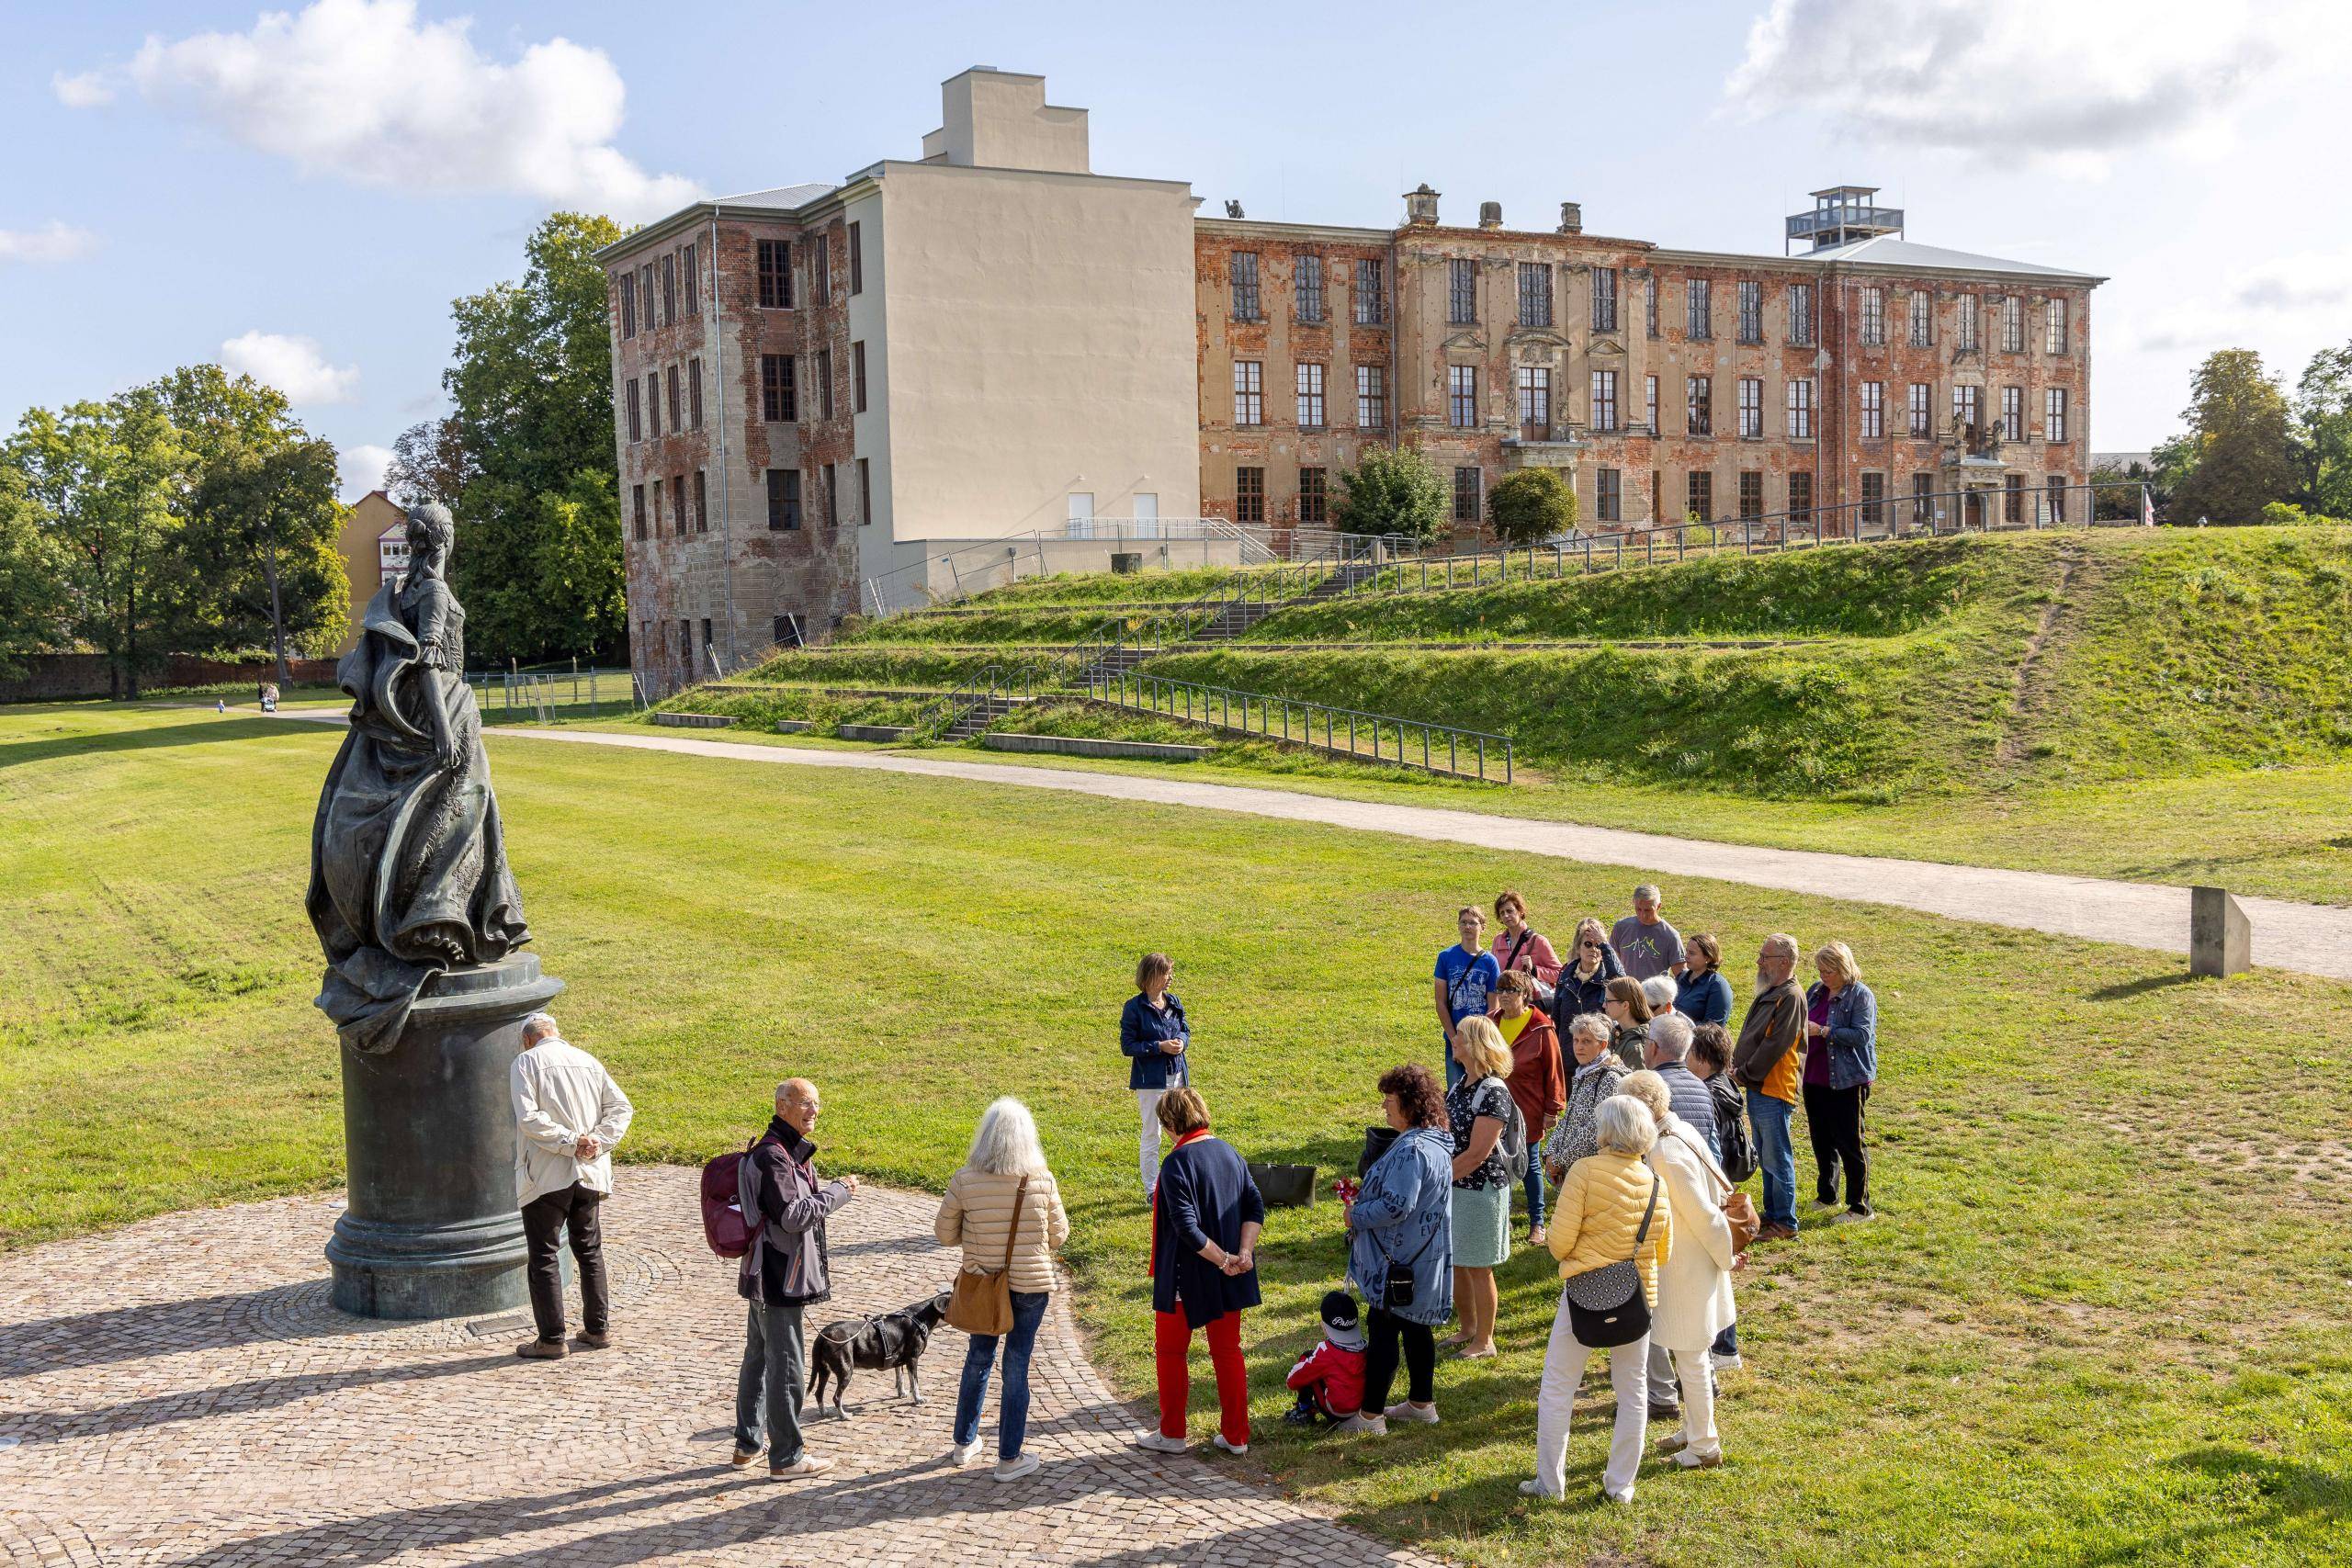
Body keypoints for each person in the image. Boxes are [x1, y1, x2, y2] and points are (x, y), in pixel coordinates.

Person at [1526, 1097, 1673, 1505]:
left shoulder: (1585, 1172)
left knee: (1558, 1386)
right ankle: (1621, 1485)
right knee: (1632, 1390)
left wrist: (1588, 1254)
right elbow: (1663, 1253)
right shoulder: (1655, 1183)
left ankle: (1550, 1483)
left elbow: (1558, 1244)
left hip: (1583, 1292)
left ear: (1605, 1130)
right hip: (1636, 1298)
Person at [936, 1097, 1071, 1481]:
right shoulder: (1041, 1179)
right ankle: (1009, 1458)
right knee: (1017, 1365)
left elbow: (943, 1234)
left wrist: (977, 1239)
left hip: (983, 1285)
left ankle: (964, 1442)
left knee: (978, 1358)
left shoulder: (965, 1179)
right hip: (1031, 1285)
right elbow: (1058, 1236)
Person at [735, 1078, 858, 1480]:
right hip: (777, 1277)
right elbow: (793, 1215)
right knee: (786, 1365)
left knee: (757, 1358)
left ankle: (748, 1444)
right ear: (782, 1105)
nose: (814, 1110)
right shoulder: (774, 1157)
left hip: (766, 1273)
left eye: (817, 1104)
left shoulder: (786, 1151)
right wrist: (839, 1193)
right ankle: (787, 1457)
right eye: (806, 1103)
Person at [1615, 1072, 1737, 1469]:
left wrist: (1727, 1258)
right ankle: (1695, 1428)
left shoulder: (1666, 1152)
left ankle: (1704, 1445)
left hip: (1687, 1267)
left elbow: (1706, 1216)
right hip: (1687, 1264)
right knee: (1690, 1356)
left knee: (1691, 1359)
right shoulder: (1679, 1129)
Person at [1140, 1087, 1263, 1457]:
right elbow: (1254, 1206)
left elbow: (1187, 1229)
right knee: (1228, 1353)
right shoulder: (1230, 1152)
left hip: (1186, 1276)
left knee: (1171, 1353)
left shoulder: (1176, 1164)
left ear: (1171, 1124)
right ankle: (1237, 1436)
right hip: (1228, 1274)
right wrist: (1242, 1253)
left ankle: (1173, 1433)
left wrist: (1224, 1259)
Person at [509, 1011, 634, 1360]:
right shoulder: (587, 1061)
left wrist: (571, 1141)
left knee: (545, 1255)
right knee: (590, 1250)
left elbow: (529, 1118)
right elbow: (621, 1108)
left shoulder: (525, 1062)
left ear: (528, 1039)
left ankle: (551, 1339)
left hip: (548, 1174)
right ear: (556, 1033)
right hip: (590, 1172)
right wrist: (596, 1141)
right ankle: (598, 1329)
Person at [1341, 1063, 1453, 1435]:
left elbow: (1396, 1206)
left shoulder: (1412, 1149)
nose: (1385, 1108)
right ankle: (1422, 1404)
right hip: (1423, 1257)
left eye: (1390, 1101)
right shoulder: (1435, 1141)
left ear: (1411, 1104)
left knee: (1384, 1331)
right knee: (1417, 1329)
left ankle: (1371, 1417)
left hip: (1398, 1259)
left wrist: (1357, 1214)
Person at [1442, 1019, 1515, 1359]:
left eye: (1459, 1036)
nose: (1453, 1039)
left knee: (1479, 1266)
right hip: (1458, 1186)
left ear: (1474, 1044)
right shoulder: (1461, 1085)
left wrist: (1437, 1179)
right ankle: (1468, 1328)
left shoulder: (1494, 1091)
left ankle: (1485, 1340)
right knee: (1458, 1261)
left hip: (1480, 1190)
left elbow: (1476, 1154)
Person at [1731, 934, 1806, 1242]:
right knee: (1767, 1154)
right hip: (1761, 1086)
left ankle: (1785, 1223)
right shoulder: (1775, 991)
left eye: (1765, 957)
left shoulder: (1789, 996)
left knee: (1777, 1157)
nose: (1759, 962)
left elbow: (1776, 1045)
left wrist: (1745, 1073)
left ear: (1785, 962)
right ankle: (1773, 1215)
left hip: (1772, 1087)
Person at [1685, 1022, 1748, 1371]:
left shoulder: (1707, 1093)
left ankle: (1723, 1349)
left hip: (1714, 1189)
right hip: (1724, 1186)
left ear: (1703, 1059)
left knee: (1715, 1272)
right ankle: (1725, 1348)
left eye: (1690, 1053)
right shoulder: (1726, 1086)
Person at [1803, 941, 1880, 1222]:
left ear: (1844, 968)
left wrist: (1824, 1031)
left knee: (1850, 1142)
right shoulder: (1815, 991)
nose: (1824, 976)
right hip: (1814, 1076)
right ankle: (1827, 1195)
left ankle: (1860, 1207)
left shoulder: (1860, 996)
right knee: (1821, 1139)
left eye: (1829, 971)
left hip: (1848, 1080)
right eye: (1821, 970)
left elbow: (1862, 1036)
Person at [1492, 971, 1565, 1247]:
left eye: (1511, 990)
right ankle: (1503, 1216)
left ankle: (1537, 1222)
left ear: (1525, 994)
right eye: (1501, 989)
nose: (1505, 995)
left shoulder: (1541, 1028)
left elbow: (1554, 1072)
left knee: (1530, 1164)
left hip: (1529, 1109)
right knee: (1498, 1163)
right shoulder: (1492, 1022)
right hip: (1495, 1107)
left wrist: (1552, 1109)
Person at [1121, 953, 1191, 1199]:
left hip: (1178, 1075)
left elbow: (1185, 1029)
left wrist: (1182, 1042)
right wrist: (1158, 1046)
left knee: (1183, 1130)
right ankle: (1152, 1189)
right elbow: (1128, 1046)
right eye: (1166, 973)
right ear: (1151, 976)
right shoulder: (1134, 1008)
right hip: (1151, 1081)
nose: (1170, 978)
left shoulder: (1174, 1002)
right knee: (1153, 1132)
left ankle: (1182, 1183)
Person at [1542, 1014, 1630, 1182]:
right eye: (1576, 1040)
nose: (1579, 1047)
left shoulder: (1610, 1077)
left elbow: (1596, 1129)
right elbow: (1568, 1119)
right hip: (1573, 1168)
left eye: (1586, 1041)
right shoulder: (1583, 1072)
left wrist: (1560, 1160)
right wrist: (1550, 1153)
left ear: (1602, 1045)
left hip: (1594, 1171)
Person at [1432, 906, 1501, 1089]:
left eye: (1473, 923)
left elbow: (1493, 1006)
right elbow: (1440, 1002)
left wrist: (1482, 1039)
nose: (1467, 927)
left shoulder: (1490, 961)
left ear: (1483, 928)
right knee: (1456, 1090)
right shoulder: (1446, 957)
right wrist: (1453, 1037)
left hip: (1479, 1040)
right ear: (1458, 926)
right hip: (1455, 1037)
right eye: (1463, 922)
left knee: (1482, 1090)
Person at [1283, 1291, 1369, 1426]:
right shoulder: (1364, 1346)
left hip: (1337, 1412)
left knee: (1308, 1359)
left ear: (1323, 1324)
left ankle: (1304, 1409)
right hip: (1364, 1408)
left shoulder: (1325, 1352)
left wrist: (1296, 1371)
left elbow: (1293, 1381)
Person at [1644, 1013, 1719, 1163]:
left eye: (1645, 1041)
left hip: (1660, 1178)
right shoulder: (1703, 1088)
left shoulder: (1649, 1087)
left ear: (1653, 1047)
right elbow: (1714, 1151)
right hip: (1693, 1177)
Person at [1492, 890, 1563, 1007]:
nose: (1506, 916)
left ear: (1520, 911)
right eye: (1502, 913)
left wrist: (1535, 969)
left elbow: (1560, 974)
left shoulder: (1538, 941)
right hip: (1505, 1004)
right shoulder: (1498, 940)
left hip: (1529, 1006)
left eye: (1510, 911)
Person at [1610, 884, 1684, 982]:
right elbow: (1612, 961)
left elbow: (1681, 976)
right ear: (1634, 903)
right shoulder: (1621, 927)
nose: (1643, 915)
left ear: (1658, 906)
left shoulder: (1670, 936)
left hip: (1654, 993)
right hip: (1625, 991)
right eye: (1638, 909)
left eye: (1648, 910)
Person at [1557, 918, 1625, 1018]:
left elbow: (1621, 980)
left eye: (1598, 945)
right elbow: (1556, 1015)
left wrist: (1604, 943)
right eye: (1588, 944)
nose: (1594, 949)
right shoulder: (1566, 974)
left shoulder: (1608, 976)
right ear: (1578, 947)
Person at [1671, 934, 1734, 1028]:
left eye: (1692, 953)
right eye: (1686, 951)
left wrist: (1678, 1027)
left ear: (1707, 958)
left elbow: (1712, 1028)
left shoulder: (1718, 986)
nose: (1686, 956)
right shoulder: (1681, 977)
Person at [1602, 976, 1653, 1070]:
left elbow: (1638, 1084)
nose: (1604, 1005)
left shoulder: (1634, 1047)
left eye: (1608, 1001)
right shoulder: (1619, 1035)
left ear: (1625, 1005)